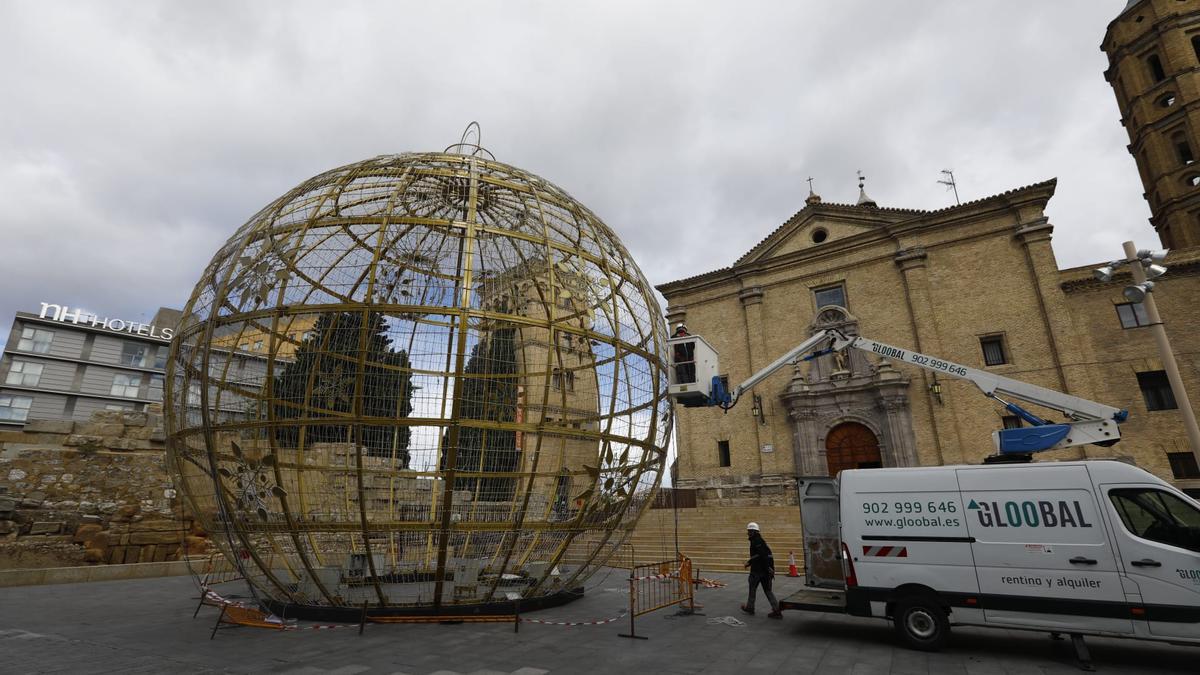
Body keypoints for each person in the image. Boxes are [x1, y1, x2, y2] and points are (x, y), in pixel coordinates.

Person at [741, 522, 782, 618]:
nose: (748, 533)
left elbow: (762, 556)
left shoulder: (757, 541)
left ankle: (750, 607)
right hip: (764, 571)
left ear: (753, 532)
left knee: (752, 588)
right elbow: (760, 555)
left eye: (749, 531)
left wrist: (750, 562)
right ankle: (776, 610)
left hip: (758, 571)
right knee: (768, 591)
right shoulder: (760, 541)